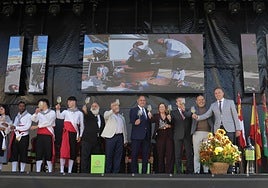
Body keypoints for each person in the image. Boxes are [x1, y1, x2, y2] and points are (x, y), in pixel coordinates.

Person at [55, 96, 84, 173]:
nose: (68, 103)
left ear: (74, 102)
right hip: (66, 134)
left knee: (72, 152)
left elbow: (82, 125)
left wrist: (80, 135)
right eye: (67, 102)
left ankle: (70, 170)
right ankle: (61, 170)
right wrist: (57, 109)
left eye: (69, 101)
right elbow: (59, 117)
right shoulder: (65, 112)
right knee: (63, 151)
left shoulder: (79, 113)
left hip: (74, 134)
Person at [101, 101, 127, 173]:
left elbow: (124, 129)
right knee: (109, 156)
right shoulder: (108, 114)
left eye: (117, 106)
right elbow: (106, 116)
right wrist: (112, 109)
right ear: (111, 107)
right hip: (111, 138)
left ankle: (116, 172)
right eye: (115, 106)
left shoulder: (121, 117)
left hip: (120, 137)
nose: (117, 107)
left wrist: (125, 140)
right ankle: (107, 172)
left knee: (118, 156)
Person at [31, 98, 56, 173]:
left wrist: (37, 126)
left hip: (48, 134)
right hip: (40, 135)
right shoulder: (39, 112)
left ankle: (50, 170)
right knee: (39, 152)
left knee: (48, 152)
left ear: (44, 104)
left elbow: (48, 123)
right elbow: (33, 119)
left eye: (40, 103)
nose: (39, 105)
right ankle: (38, 170)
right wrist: (36, 113)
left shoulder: (52, 112)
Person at [129, 95, 152, 174]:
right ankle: (134, 173)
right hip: (136, 137)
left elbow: (148, 123)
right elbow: (131, 120)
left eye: (144, 100)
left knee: (145, 156)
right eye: (141, 100)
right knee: (134, 155)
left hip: (146, 137)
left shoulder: (147, 110)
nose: (143, 102)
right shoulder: (133, 110)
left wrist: (150, 118)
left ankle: (144, 173)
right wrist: (135, 122)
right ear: (138, 101)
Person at [190, 95, 213, 174]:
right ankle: (196, 171)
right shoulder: (193, 109)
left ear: (205, 100)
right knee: (197, 153)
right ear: (196, 101)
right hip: (196, 133)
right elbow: (186, 114)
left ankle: (206, 171)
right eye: (199, 100)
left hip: (207, 133)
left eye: (202, 99)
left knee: (206, 153)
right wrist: (191, 115)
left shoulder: (209, 109)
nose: (201, 101)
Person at [81, 102, 105, 173]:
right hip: (87, 140)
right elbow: (85, 113)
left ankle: (95, 173)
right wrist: (84, 110)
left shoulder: (101, 117)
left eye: (96, 106)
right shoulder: (88, 114)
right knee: (85, 157)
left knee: (96, 157)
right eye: (92, 106)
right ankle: (84, 174)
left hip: (97, 141)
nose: (94, 107)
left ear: (99, 107)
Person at [171, 97, 193, 174]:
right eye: (179, 101)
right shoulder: (173, 112)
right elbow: (171, 123)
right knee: (177, 154)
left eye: (182, 101)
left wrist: (184, 110)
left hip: (187, 135)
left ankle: (189, 170)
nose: (180, 103)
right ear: (176, 103)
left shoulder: (189, 110)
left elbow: (189, 116)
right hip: (177, 135)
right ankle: (179, 171)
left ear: (184, 102)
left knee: (189, 154)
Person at [151, 103, 174, 173]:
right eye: (160, 107)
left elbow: (174, 125)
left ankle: (169, 171)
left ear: (165, 108)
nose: (161, 108)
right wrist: (149, 116)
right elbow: (150, 121)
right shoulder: (156, 116)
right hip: (160, 136)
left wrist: (169, 123)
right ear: (158, 108)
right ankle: (160, 171)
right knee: (160, 154)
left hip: (168, 137)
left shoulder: (169, 115)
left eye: (163, 107)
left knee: (169, 154)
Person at [9, 101, 32, 172]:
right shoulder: (17, 116)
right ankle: (13, 170)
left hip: (24, 136)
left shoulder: (29, 116)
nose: (21, 107)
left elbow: (27, 127)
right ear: (18, 107)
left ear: (25, 107)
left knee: (23, 152)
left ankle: (22, 170)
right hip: (16, 136)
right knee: (14, 152)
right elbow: (14, 125)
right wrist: (11, 126)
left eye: (23, 106)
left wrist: (16, 127)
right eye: (20, 106)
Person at [0, 105, 12, 171]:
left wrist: (6, 127)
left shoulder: (7, 118)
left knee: (2, 152)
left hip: (3, 136)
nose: (0, 110)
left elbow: (10, 127)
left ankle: (0, 168)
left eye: (1, 109)